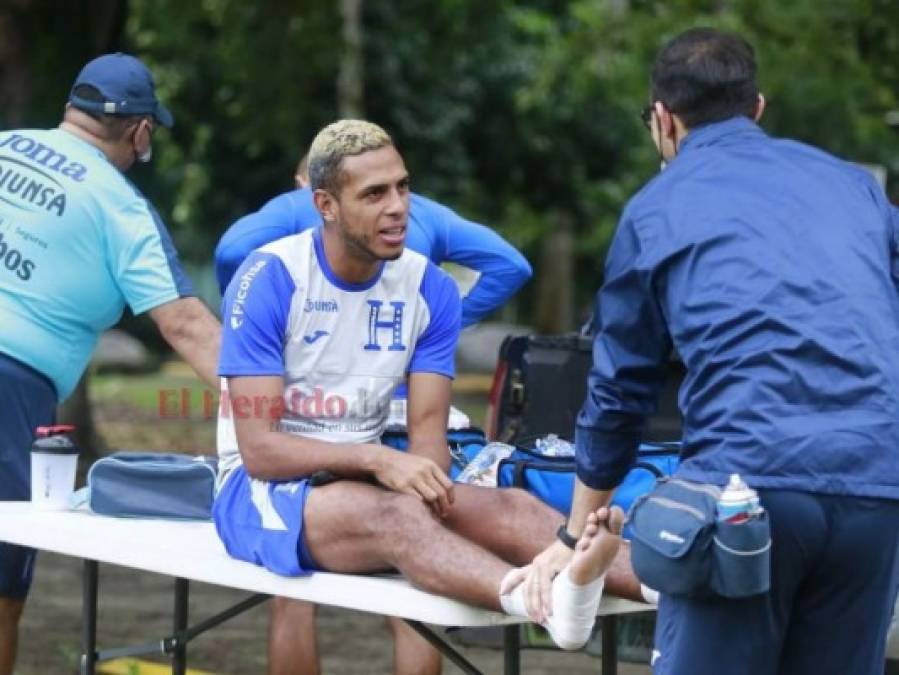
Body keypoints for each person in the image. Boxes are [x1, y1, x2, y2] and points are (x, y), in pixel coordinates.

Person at [520, 27, 899, 675]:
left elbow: (619, 389)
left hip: (745, 493)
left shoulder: (655, 208)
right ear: (757, 107)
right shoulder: (855, 188)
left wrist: (570, 533)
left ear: (663, 122)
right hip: (877, 490)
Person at [212, 119, 632, 675]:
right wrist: (377, 460)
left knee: (511, 508)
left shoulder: (431, 287)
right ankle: (542, 603)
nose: (398, 207)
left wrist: (422, 482)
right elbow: (261, 450)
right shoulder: (268, 277)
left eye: (403, 187)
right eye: (374, 193)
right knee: (397, 518)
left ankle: (676, 581)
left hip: (364, 476)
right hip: (260, 488)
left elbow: (429, 442)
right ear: (325, 205)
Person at [0, 53, 221, 675]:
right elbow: (187, 326)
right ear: (141, 132)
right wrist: (281, 409)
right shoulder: (120, 206)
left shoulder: (7, 144)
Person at [214, 153, 533, 329]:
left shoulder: (296, 203)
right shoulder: (425, 213)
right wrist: (441, 323)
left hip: (314, 382)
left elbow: (233, 252)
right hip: (403, 382)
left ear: (306, 184)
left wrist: (247, 321)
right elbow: (511, 266)